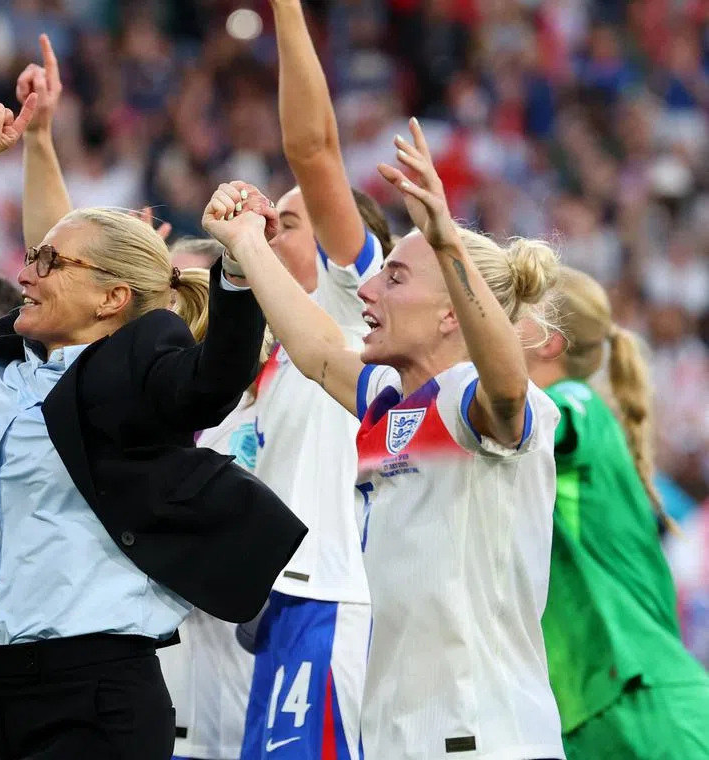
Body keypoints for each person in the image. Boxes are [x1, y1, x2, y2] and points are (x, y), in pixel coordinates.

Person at [0, 90, 306, 758]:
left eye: (51, 262)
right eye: (33, 257)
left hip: (96, 699)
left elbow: (211, 384)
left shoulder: (139, 369)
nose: (26, 271)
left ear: (112, 298)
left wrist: (235, 266)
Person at [217, 119, 565, 759]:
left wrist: (447, 244)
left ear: (450, 313)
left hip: (483, 736)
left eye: (396, 279)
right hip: (397, 735)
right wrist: (246, 245)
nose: (369, 290)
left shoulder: (477, 402)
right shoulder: (391, 401)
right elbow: (320, 354)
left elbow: (507, 388)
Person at [236, 3, 393, 758]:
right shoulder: (265, 356)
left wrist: (288, 10)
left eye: (290, 222)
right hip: (277, 606)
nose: (272, 226)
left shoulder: (353, 304)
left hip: (326, 595)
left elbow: (313, 149)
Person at [524, 267, 709, 758]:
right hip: (589, 707)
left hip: (646, 707)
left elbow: (520, 419)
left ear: (548, 342)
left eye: (514, 306)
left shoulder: (572, 403)